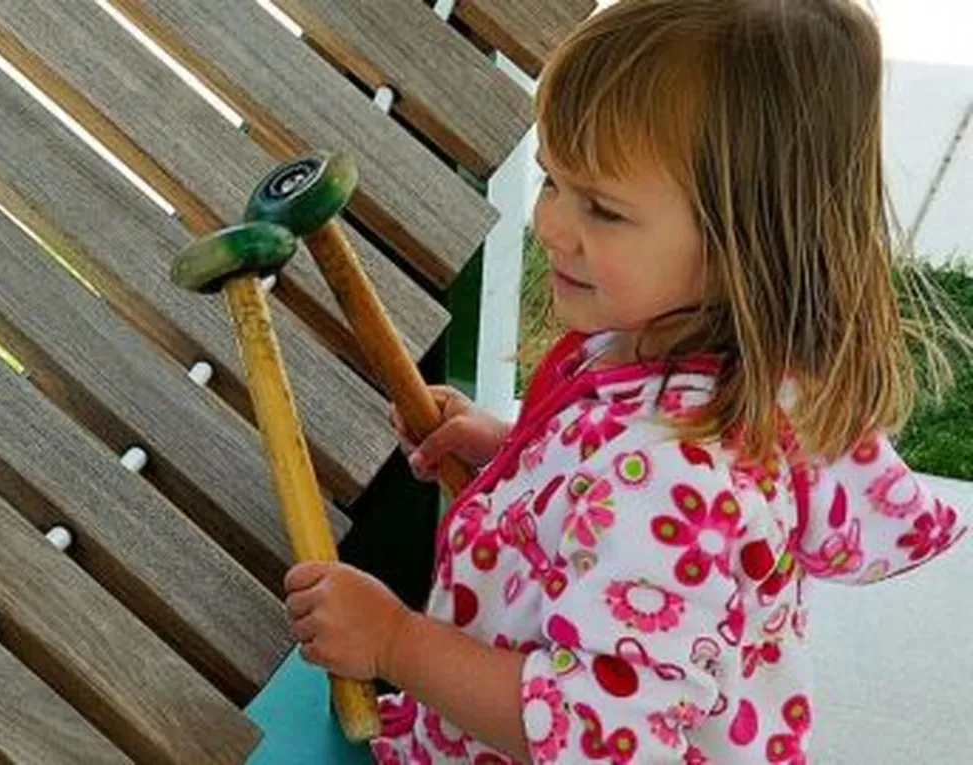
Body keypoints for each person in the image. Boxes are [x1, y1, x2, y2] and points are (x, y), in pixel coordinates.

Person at [282, 0, 969, 761]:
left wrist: (394, 641)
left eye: (603, 210)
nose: (550, 226)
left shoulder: (680, 476)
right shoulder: (671, 355)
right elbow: (611, 496)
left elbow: (594, 730)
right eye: (552, 180)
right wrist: (512, 449)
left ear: (745, 240)